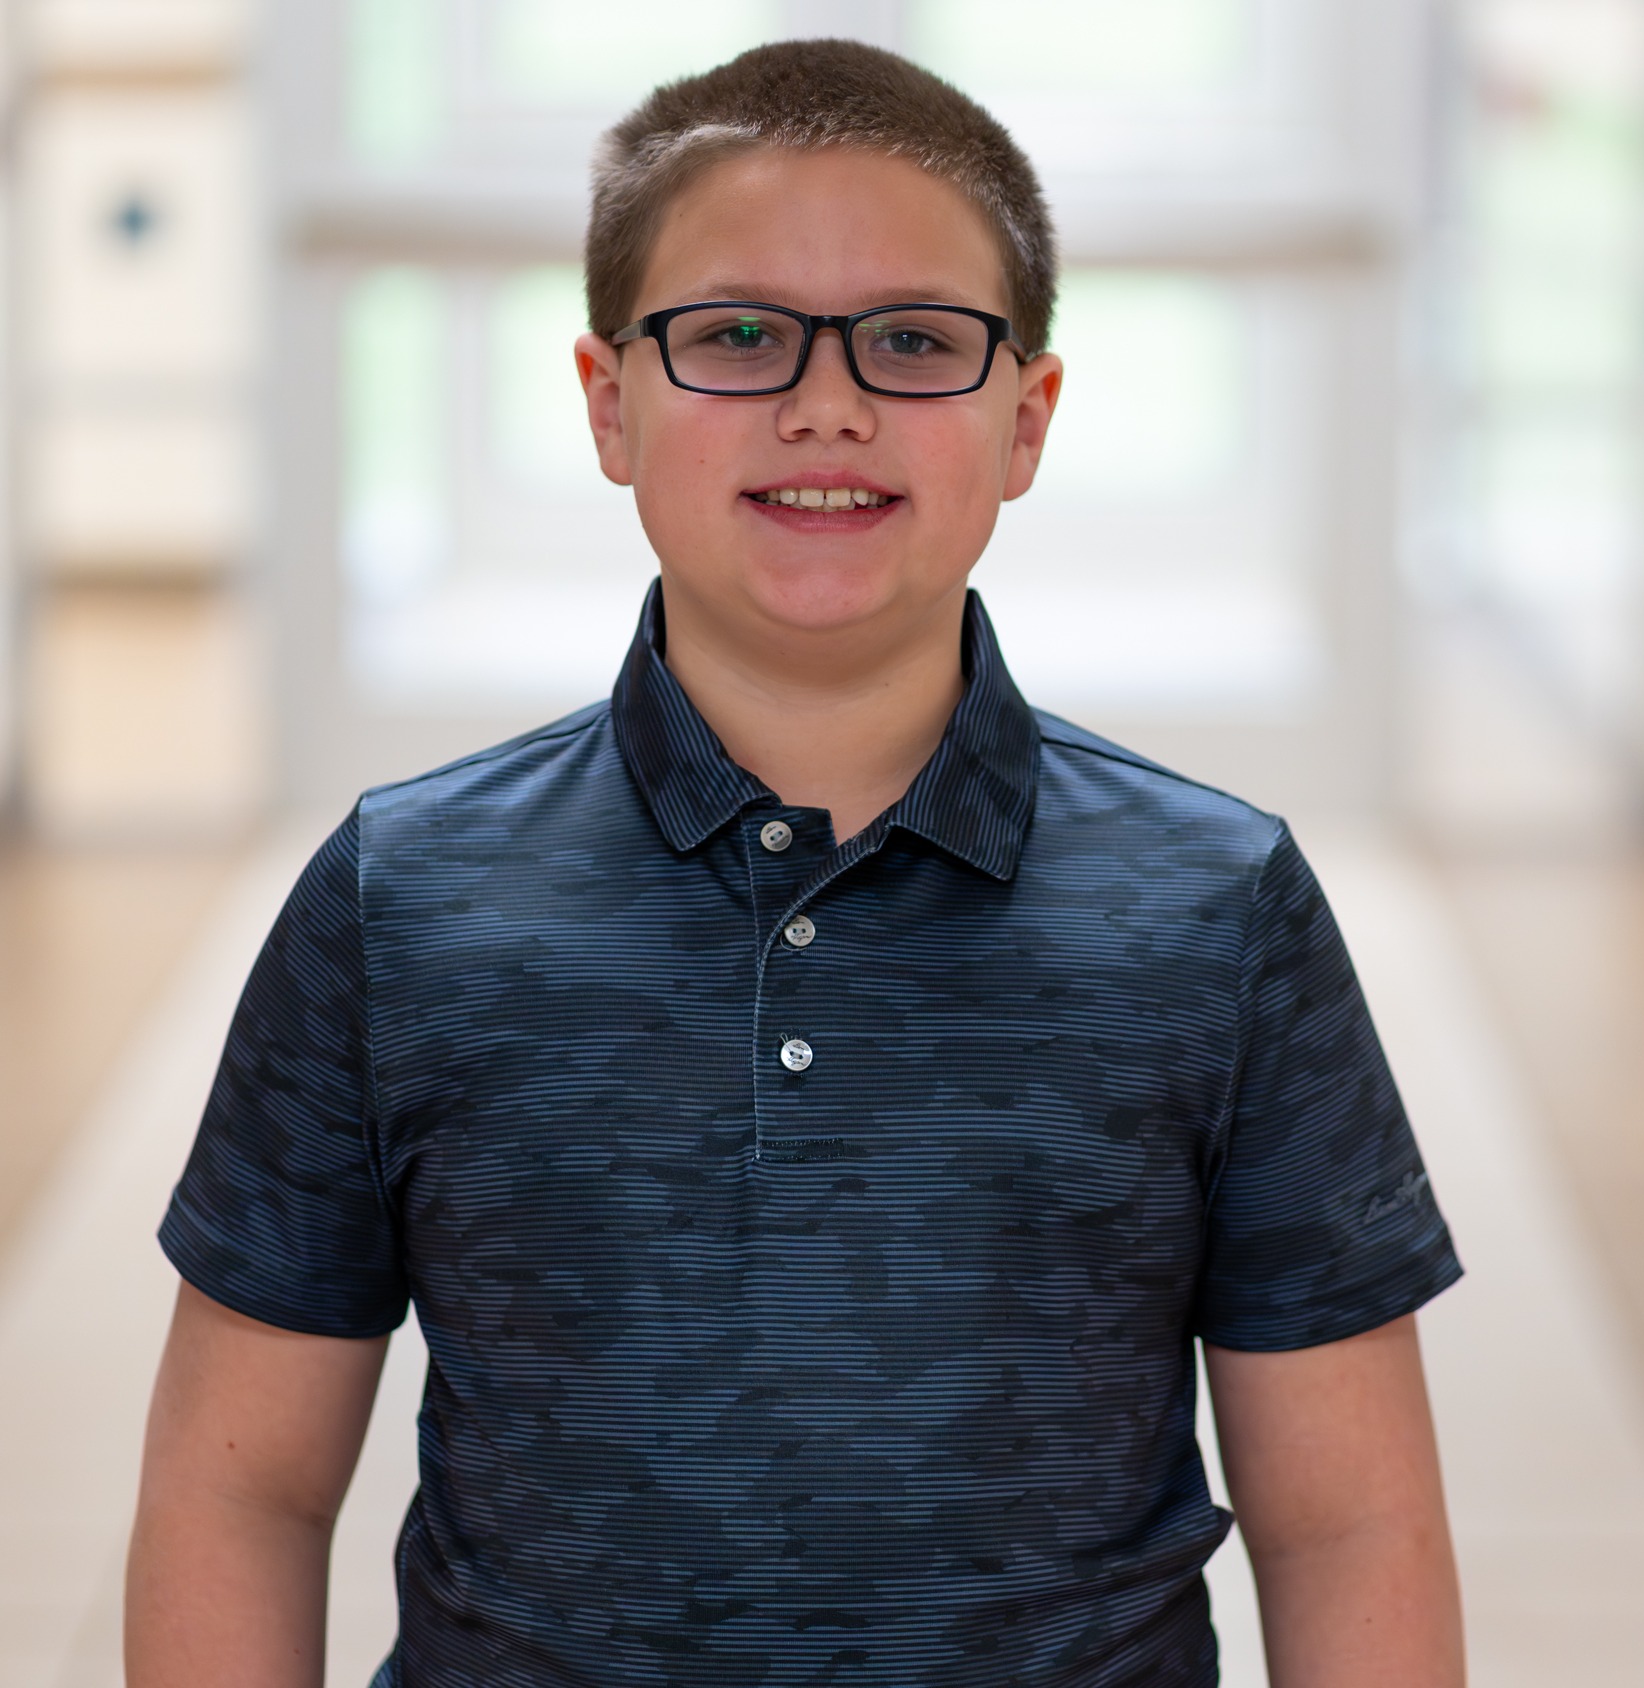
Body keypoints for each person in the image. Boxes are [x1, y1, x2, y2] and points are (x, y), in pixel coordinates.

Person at [125, 38, 1465, 1688]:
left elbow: (1349, 1528)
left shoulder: (1219, 907)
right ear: (610, 403)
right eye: (739, 335)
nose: (825, 403)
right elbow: (233, 1495)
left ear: (1027, 417)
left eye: (913, 340)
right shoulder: (399, 901)